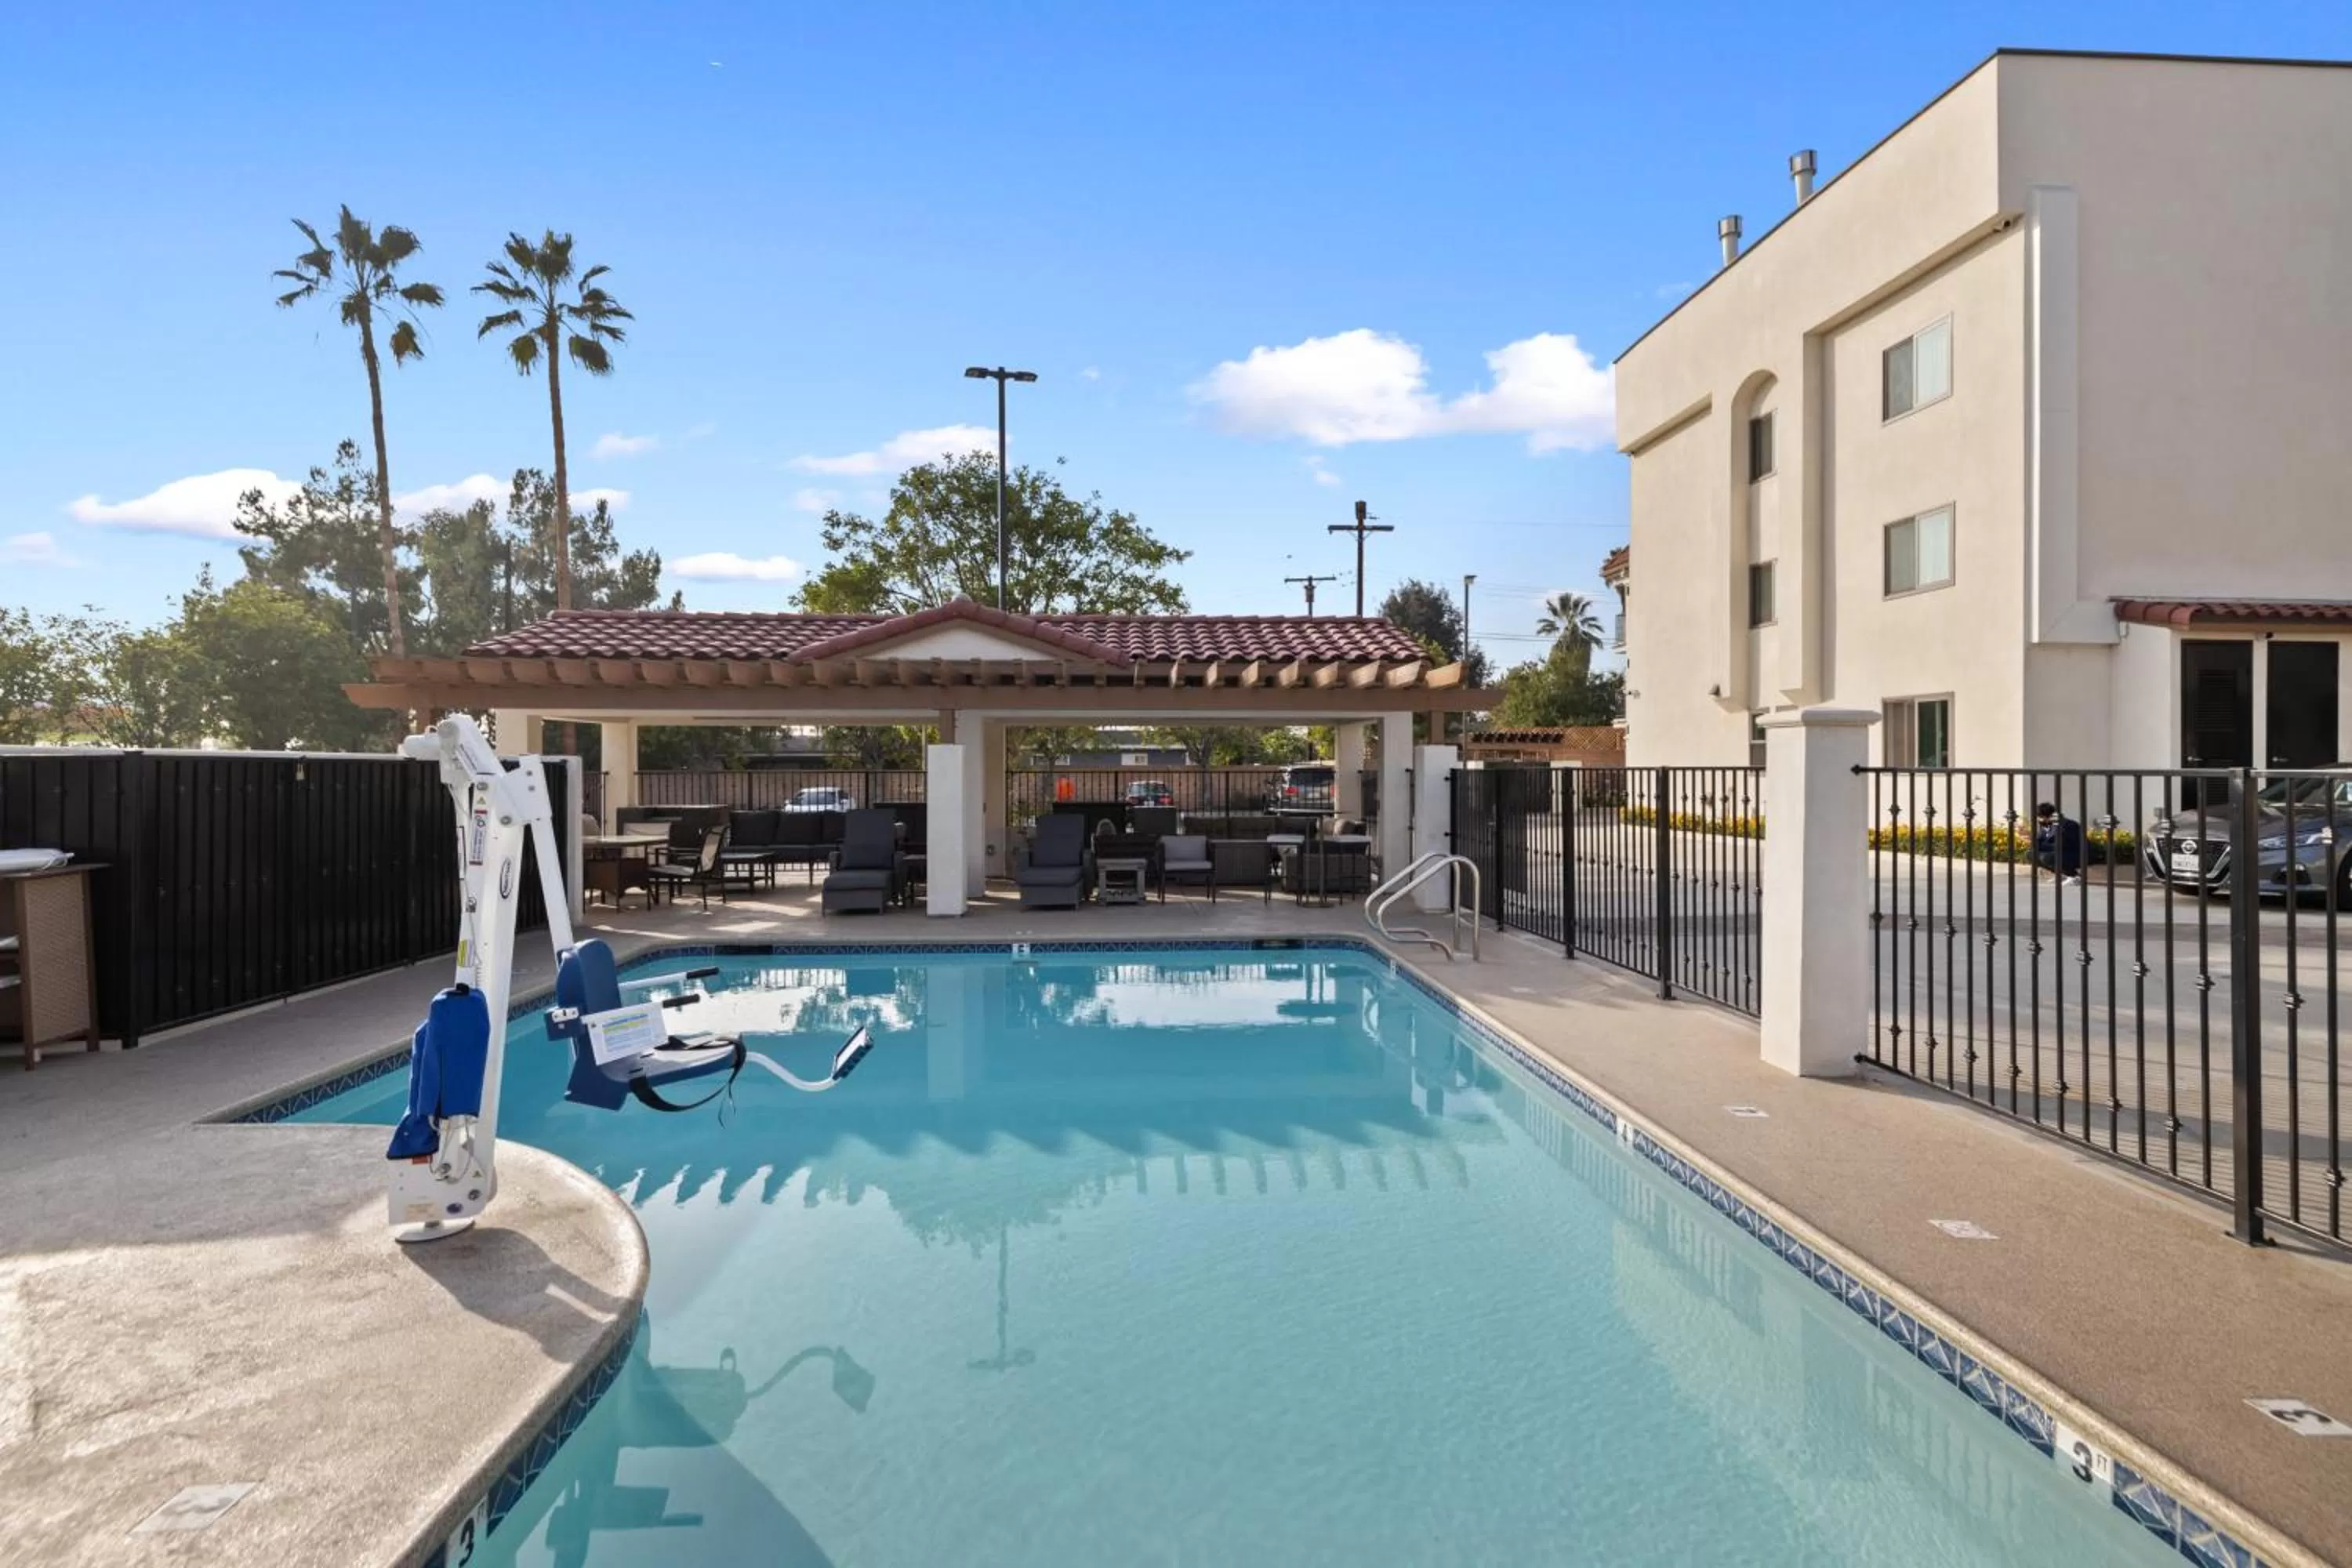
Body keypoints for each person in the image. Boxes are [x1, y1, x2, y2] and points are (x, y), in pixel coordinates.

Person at [2032, 801, 2085, 886]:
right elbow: (2040, 841)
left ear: (2047, 817)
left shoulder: (2067, 825)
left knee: (2047, 857)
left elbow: (2062, 845)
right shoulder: (2047, 826)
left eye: (2040, 817)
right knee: (2031, 854)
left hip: (2076, 853)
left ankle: (2075, 877)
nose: (2039, 820)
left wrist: (2041, 846)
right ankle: (2063, 874)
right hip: (2061, 852)